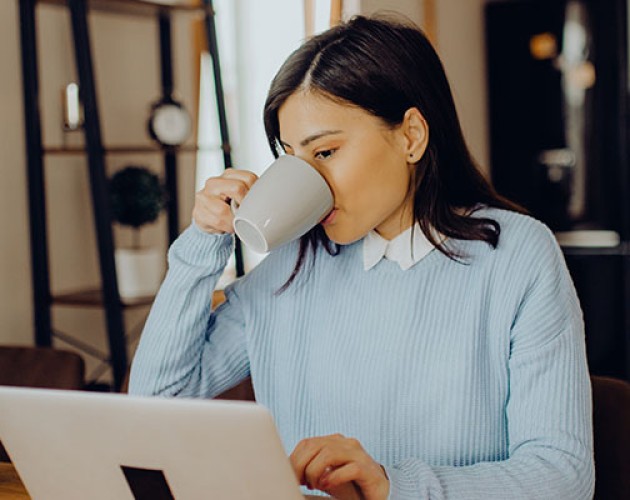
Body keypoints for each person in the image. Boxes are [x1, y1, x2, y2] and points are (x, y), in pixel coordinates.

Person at [129, 15, 594, 500]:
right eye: (292, 156)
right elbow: (156, 405)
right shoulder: (292, 263)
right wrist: (204, 241)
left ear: (411, 136)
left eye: (326, 152)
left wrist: (393, 487)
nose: (309, 180)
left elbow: (562, 476)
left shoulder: (517, 257)